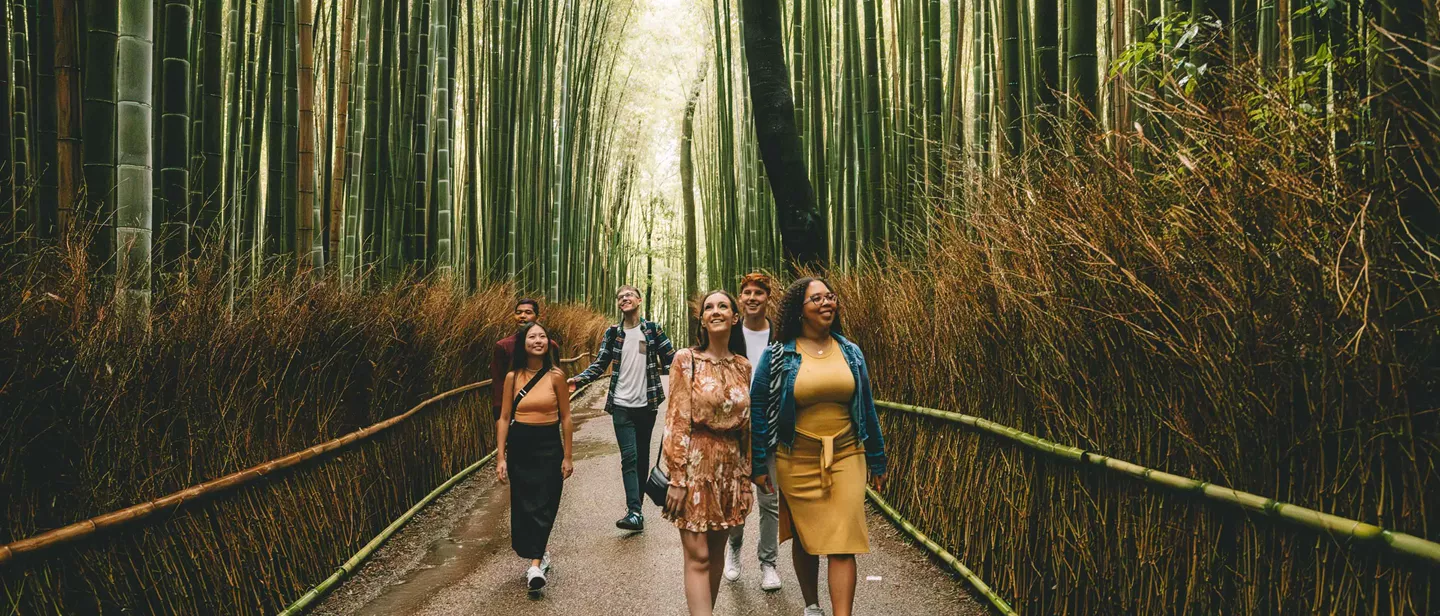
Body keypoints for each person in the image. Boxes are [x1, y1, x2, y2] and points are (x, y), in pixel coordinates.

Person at [751, 278, 888, 616]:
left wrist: (878, 459)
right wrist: (757, 465)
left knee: (843, 543)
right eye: (817, 299)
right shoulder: (779, 354)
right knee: (806, 537)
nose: (827, 303)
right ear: (801, 310)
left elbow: (866, 407)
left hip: (846, 453)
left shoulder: (851, 352)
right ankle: (812, 606)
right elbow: (758, 408)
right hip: (797, 456)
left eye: (830, 297)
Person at [663, 290, 755, 616]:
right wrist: (676, 476)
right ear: (701, 319)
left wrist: (746, 480)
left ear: (735, 317)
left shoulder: (743, 366)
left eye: (723, 306)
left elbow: (747, 429)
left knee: (715, 553)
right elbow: (675, 418)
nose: (716, 311)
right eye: (709, 307)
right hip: (694, 464)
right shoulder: (685, 360)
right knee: (698, 555)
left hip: (730, 468)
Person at [568, 285, 677, 531]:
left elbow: (672, 358)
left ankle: (636, 510)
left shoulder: (652, 330)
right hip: (621, 405)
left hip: (647, 404)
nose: (624, 298)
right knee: (629, 457)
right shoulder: (613, 333)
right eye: (620, 297)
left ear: (639, 300)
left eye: (628, 295)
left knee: (641, 459)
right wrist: (579, 379)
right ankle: (634, 510)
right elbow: (600, 362)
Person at [495, 321, 575, 593]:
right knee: (525, 504)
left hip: (549, 444)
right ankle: (537, 555)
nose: (538, 340)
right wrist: (501, 457)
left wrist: (568, 456)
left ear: (548, 343)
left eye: (542, 336)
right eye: (532, 337)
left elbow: (566, 418)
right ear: (523, 343)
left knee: (546, 502)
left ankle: (535, 565)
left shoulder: (556, 376)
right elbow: (504, 417)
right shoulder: (512, 377)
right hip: (521, 446)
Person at [724, 273, 783, 591]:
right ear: (740, 298)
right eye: (746, 292)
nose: (751, 297)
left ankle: (768, 562)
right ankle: (734, 548)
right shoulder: (731, 334)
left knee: (769, 501)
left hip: (769, 429)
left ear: (767, 297)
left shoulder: (780, 336)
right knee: (737, 499)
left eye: (758, 292)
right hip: (735, 430)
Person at [491, 299, 560, 419]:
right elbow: (498, 382)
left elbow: (555, 377)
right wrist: (499, 414)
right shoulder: (503, 346)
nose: (522, 316)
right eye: (518, 312)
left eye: (528, 312)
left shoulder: (550, 346)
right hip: (514, 408)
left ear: (537, 316)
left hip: (544, 408)